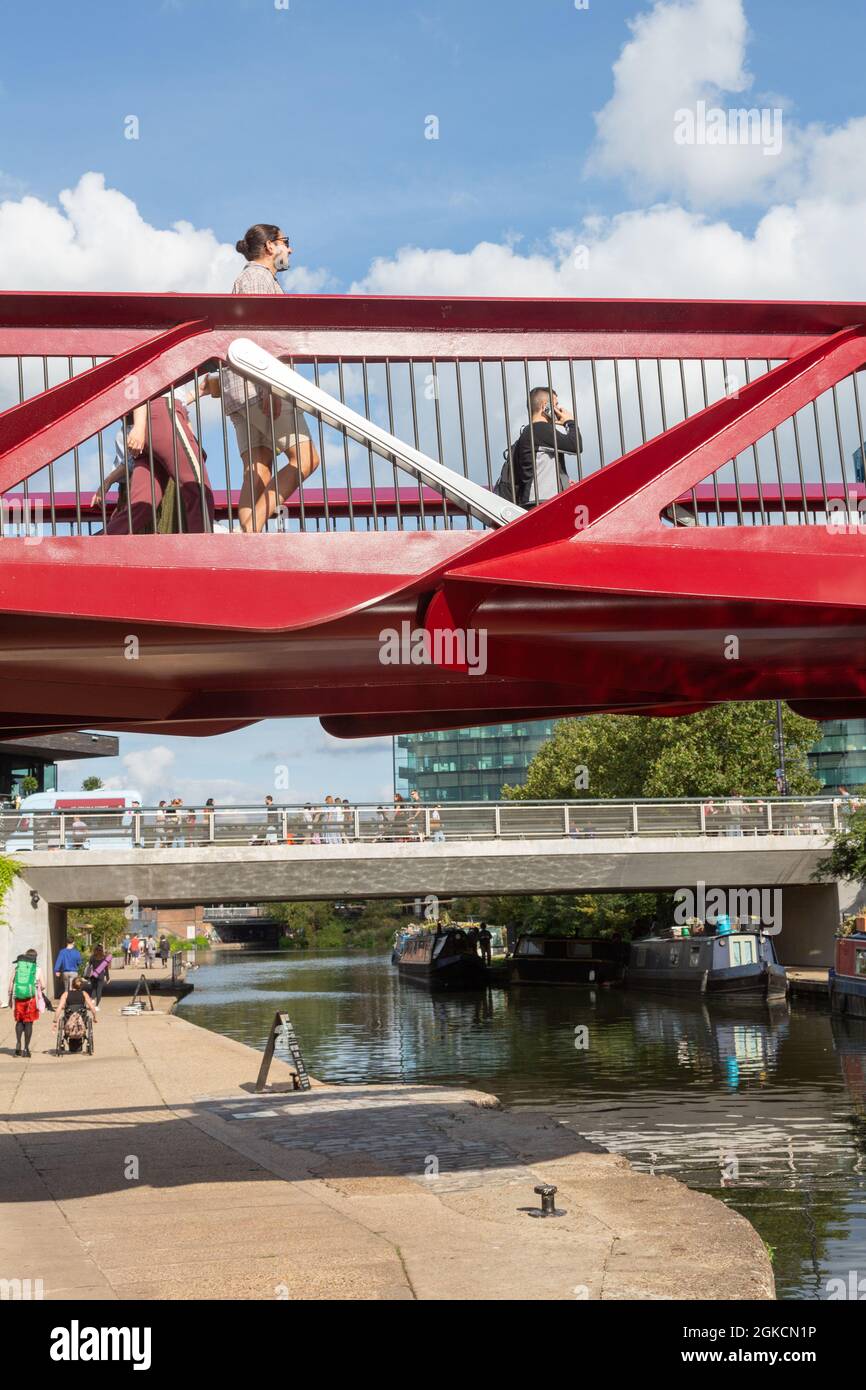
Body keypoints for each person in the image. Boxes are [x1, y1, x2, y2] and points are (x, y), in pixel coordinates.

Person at [200, 224, 321, 533]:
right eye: (285, 243)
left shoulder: (247, 279)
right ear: (270, 246)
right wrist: (271, 387)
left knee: (257, 469)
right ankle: (250, 531)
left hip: (240, 392)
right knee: (306, 459)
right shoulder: (257, 279)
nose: (290, 250)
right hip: (260, 387)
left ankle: (246, 542)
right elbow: (260, 336)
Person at [101, 394, 214, 535]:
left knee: (141, 506)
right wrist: (140, 425)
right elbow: (142, 380)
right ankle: (203, 551)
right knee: (198, 489)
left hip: (150, 418)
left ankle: (96, 547)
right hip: (163, 413)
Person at [507, 388, 583, 507]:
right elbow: (576, 445)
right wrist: (570, 422)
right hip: (542, 504)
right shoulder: (540, 429)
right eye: (556, 405)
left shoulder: (529, 432)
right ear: (545, 407)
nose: (559, 409)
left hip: (532, 502)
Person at [8, 949, 49, 1057]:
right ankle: (26, 1048)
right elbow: (44, 985)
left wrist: (10, 996)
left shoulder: (18, 968)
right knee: (29, 1022)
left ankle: (18, 1044)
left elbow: (11, 984)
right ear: (35, 958)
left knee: (19, 1021)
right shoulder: (37, 969)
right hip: (31, 999)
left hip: (18, 998)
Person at [53, 975, 97, 1051]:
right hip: (81, 1020)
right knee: (86, 1015)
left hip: (68, 1020)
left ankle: (62, 1043)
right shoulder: (84, 994)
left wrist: (55, 1020)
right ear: (81, 986)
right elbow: (92, 1008)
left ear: (72, 984)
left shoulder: (66, 994)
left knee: (64, 1017)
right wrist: (95, 1017)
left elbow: (59, 1008)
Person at [85, 943, 112, 1008]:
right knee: (99, 990)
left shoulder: (92, 957)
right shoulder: (104, 957)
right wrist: (108, 978)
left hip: (94, 975)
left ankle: (92, 1000)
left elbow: (89, 967)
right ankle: (96, 1006)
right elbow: (106, 969)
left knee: (94, 989)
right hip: (101, 975)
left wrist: (88, 977)